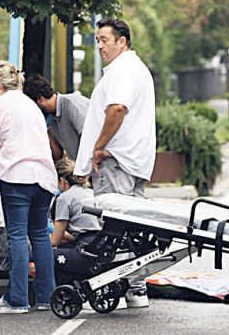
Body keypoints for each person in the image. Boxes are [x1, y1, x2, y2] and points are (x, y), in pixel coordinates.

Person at [73, 17, 155, 307]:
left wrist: (99, 146)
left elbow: (117, 108)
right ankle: (136, 289)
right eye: (97, 40)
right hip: (133, 161)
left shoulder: (122, 70)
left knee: (114, 229)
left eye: (104, 40)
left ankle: (114, 287)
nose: (99, 46)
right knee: (133, 231)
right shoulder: (137, 69)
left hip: (116, 161)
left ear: (122, 42)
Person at [0, 61, 56, 315]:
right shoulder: (30, 104)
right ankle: (47, 297)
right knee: (39, 235)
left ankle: (17, 299)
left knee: (16, 236)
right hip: (45, 176)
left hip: (18, 175)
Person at [50, 157, 102, 287]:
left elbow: (54, 241)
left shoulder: (64, 198)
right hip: (100, 248)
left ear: (61, 181)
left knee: (41, 253)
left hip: (85, 253)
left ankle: (46, 294)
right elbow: (78, 233)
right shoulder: (93, 193)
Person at [22, 74, 90, 161]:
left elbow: (90, 138)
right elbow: (57, 155)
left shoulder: (73, 104)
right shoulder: (52, 120)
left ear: (40, 100)